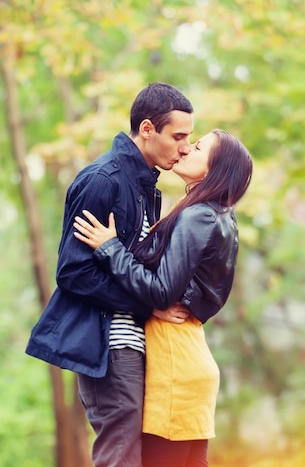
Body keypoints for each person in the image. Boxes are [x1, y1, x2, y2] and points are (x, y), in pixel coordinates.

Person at [25, 82, 194, 467]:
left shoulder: (146, 186)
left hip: (135, 342)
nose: (185, 147)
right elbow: (73, 272)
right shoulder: (103, 179)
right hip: (107, 344)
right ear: (148, 129)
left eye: (190, 138)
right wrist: (148, 307)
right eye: (179, 136)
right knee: (121, 454)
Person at [73, 129, 253, 467]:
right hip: (190, 360)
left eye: (198, 147)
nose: (186, 149)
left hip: (174, 369)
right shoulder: (222, 218)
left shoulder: (198, 215)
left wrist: (110, 248)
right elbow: (202, 298)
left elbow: (161, 290)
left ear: (217, 168)